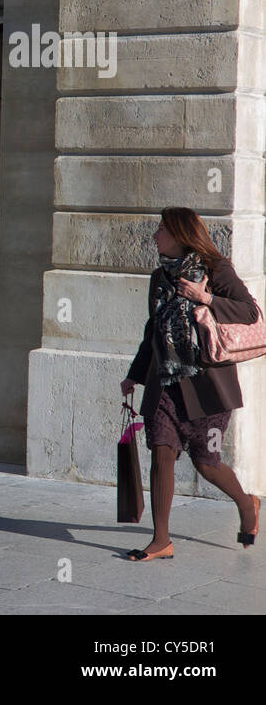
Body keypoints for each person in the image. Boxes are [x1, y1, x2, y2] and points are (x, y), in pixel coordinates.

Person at [121, 207, 260, 560]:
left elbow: (249, 312)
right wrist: (135, 374)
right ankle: (161, 540)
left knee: (206, 463)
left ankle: (247, 504)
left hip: (207, 385)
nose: (155, 236)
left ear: (181, 234)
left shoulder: (216, 270)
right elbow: (152, 332)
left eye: (162, 230)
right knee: (161, 452)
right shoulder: (158, 278)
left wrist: (206, 298)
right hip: (165, 383)